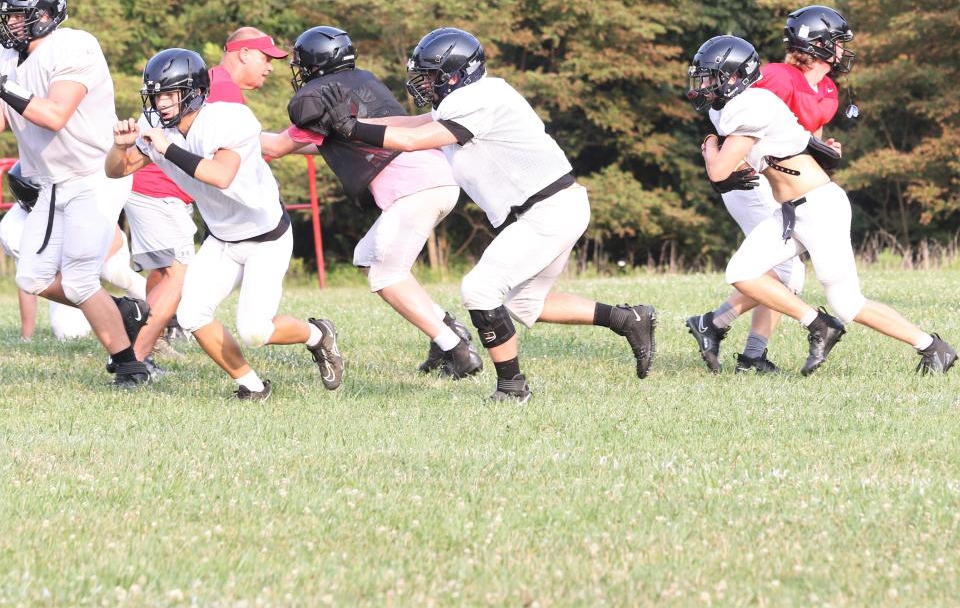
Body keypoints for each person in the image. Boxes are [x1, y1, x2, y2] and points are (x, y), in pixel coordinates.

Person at [314, 27, 657, 402]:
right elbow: (411, 125)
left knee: (479, 290)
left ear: (457, 74)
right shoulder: (469, 97)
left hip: (548, 210)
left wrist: (352, 127)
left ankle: (513, 388)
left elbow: (413, 141)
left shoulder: (479, 98)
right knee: (525, 304)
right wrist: (346, 127)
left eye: (430, 76)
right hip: (552, 208)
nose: (423, 84)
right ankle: (628, 319)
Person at [686, 34, 956, 376]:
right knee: (742, 272)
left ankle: (932, 347)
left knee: (847, 302)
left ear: (736, 76)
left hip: (818, 208)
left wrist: (710, 144)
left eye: (711, 76)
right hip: (791, 211)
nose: (704, 84)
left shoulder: (752, 104)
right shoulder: (737, 104)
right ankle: (816, 324)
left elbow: (719, 170)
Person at [106, 48, 344, 400]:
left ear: (195, 93)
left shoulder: (231, 119)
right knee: (192, 315)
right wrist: (119, 146)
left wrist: (166, 149)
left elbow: (220, 176)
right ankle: (252, 385)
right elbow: (117, 170)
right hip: (221, 239)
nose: (161, 104)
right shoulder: (157, 127)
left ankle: (317, 335)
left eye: (170, 94)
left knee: (255, 331)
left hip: (266, 238)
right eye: (156, 95)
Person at [260, 25, 482, 378]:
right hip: (435, 179)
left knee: (384, 274)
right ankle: (447, 330)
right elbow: (340, 141)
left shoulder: (321, 98)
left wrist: (227, 135)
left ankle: (456, 351)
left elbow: (272, 147)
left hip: (415, 187)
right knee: (367, 257)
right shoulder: (363, 82)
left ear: (314, 64)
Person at [685, 5, 854, 374]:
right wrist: (717, 151)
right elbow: (735, 125)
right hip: (752, 178)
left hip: (783, 181)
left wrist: (824, 153)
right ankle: (735, 339)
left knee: (782, 271)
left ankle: (734, 342)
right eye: (838, 41)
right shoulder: (775, 79)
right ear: (821, 43)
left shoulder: (827, 87)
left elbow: (797, 137)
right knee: (784, 272)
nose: (843, 49)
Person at [0, 0, 150, 385]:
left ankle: (130, 366)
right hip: (50, 182)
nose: (9, 24)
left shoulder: (75, 45)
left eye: (17, 17)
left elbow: (54, 114)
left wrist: (2, 86)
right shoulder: (8, 55)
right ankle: (122, 311)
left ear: (47, 16)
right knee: (32, 278)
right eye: (7, 17)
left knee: (82, 279)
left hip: (96, 174)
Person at [123, 26, 290, 365]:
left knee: (168, 274)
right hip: (166, 188)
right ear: (243, 53)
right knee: (177, 276)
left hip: (169, 190)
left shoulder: (206, 83)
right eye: (265, 57)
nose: (270, 66)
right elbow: (225, 166)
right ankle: (136, 354)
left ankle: (143, 338)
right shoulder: (219, 93)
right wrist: (324, 139)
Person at [1, 162, 148, 342]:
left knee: (119, 274)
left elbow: (115, 239)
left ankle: (167, 316)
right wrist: (26, 336)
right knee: (70, 332)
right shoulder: (14, 229)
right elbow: (28, 284)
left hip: (100, 250)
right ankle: (125, 310)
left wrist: (85, 267)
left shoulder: (75, 189)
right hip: (63, 274)